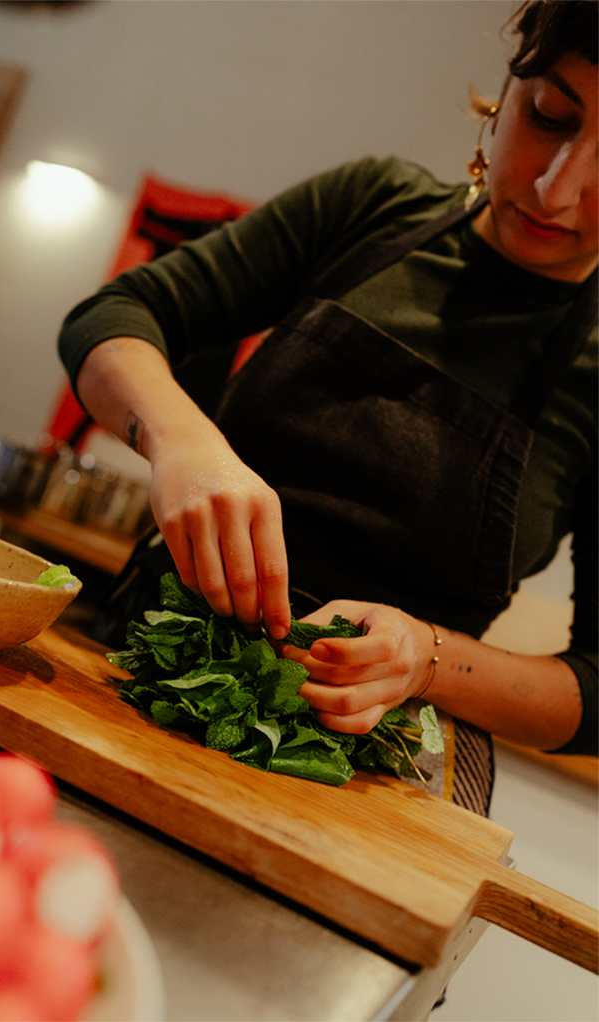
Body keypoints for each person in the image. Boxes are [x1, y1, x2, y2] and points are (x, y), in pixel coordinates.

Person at [58, 0, 599, 815]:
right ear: (511, 82)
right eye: (550, 116)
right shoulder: (372, 205)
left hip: (378, 775)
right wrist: (181, 440)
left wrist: (426, 658)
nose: (558, 190)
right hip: (157, 676)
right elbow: (111, 320)